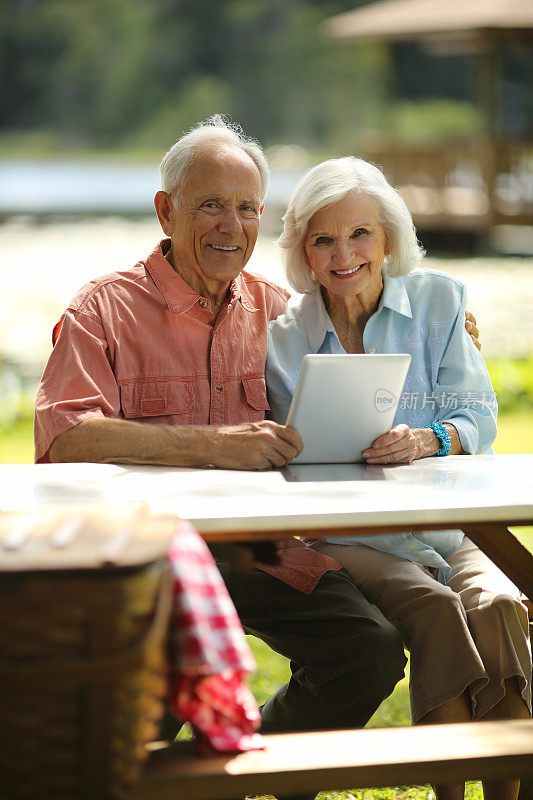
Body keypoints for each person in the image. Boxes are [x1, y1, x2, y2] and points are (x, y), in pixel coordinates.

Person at [34, 117, 408, 762]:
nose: (230, 226)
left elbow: (366, 326)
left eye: (246, 208)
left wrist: (444, 334)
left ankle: (239, 770)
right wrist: (212, 444)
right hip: (146, 556)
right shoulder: (103, 309)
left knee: (367, 651)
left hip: (261, 551)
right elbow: (64, 434)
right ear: (166, 210)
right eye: (210, 205)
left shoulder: (282, 310)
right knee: (138, 718)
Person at [265, 156, 532, 800]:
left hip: (450, 527)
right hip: (354, 535)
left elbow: (478, 415)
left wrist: (427, 438)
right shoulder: (283, 336)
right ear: (303, 253)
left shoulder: (440, 300)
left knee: (499, 604)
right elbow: (286, 451)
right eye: (323, 239)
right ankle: (445, 791)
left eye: (360, 234)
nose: (344, 253)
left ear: (389, 238)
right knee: (438, 609)